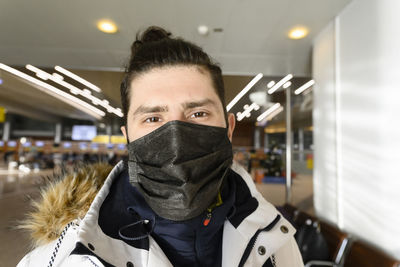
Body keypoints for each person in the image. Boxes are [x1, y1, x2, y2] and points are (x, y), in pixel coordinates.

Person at [18, 26, 303, 267]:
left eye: (198, 114)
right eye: (153, 118)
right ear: (128, 137)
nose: (176, 138)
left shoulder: (276, 242)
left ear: (228, 128)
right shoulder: (62, 259)